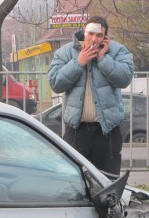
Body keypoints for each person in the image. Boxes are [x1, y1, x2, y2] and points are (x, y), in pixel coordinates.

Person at [48, 16, 134, 177]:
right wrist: (78, 62)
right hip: (76, 130)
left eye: (99, 35)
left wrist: (103, 59)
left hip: (107, 131)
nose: (94, 39)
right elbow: (55, 83)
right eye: (91, 34)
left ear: (105, 37)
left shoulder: (117, 51)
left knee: (107, 181)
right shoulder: (65, 52)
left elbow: (124, 79)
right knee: (74, 180)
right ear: (84, 31)